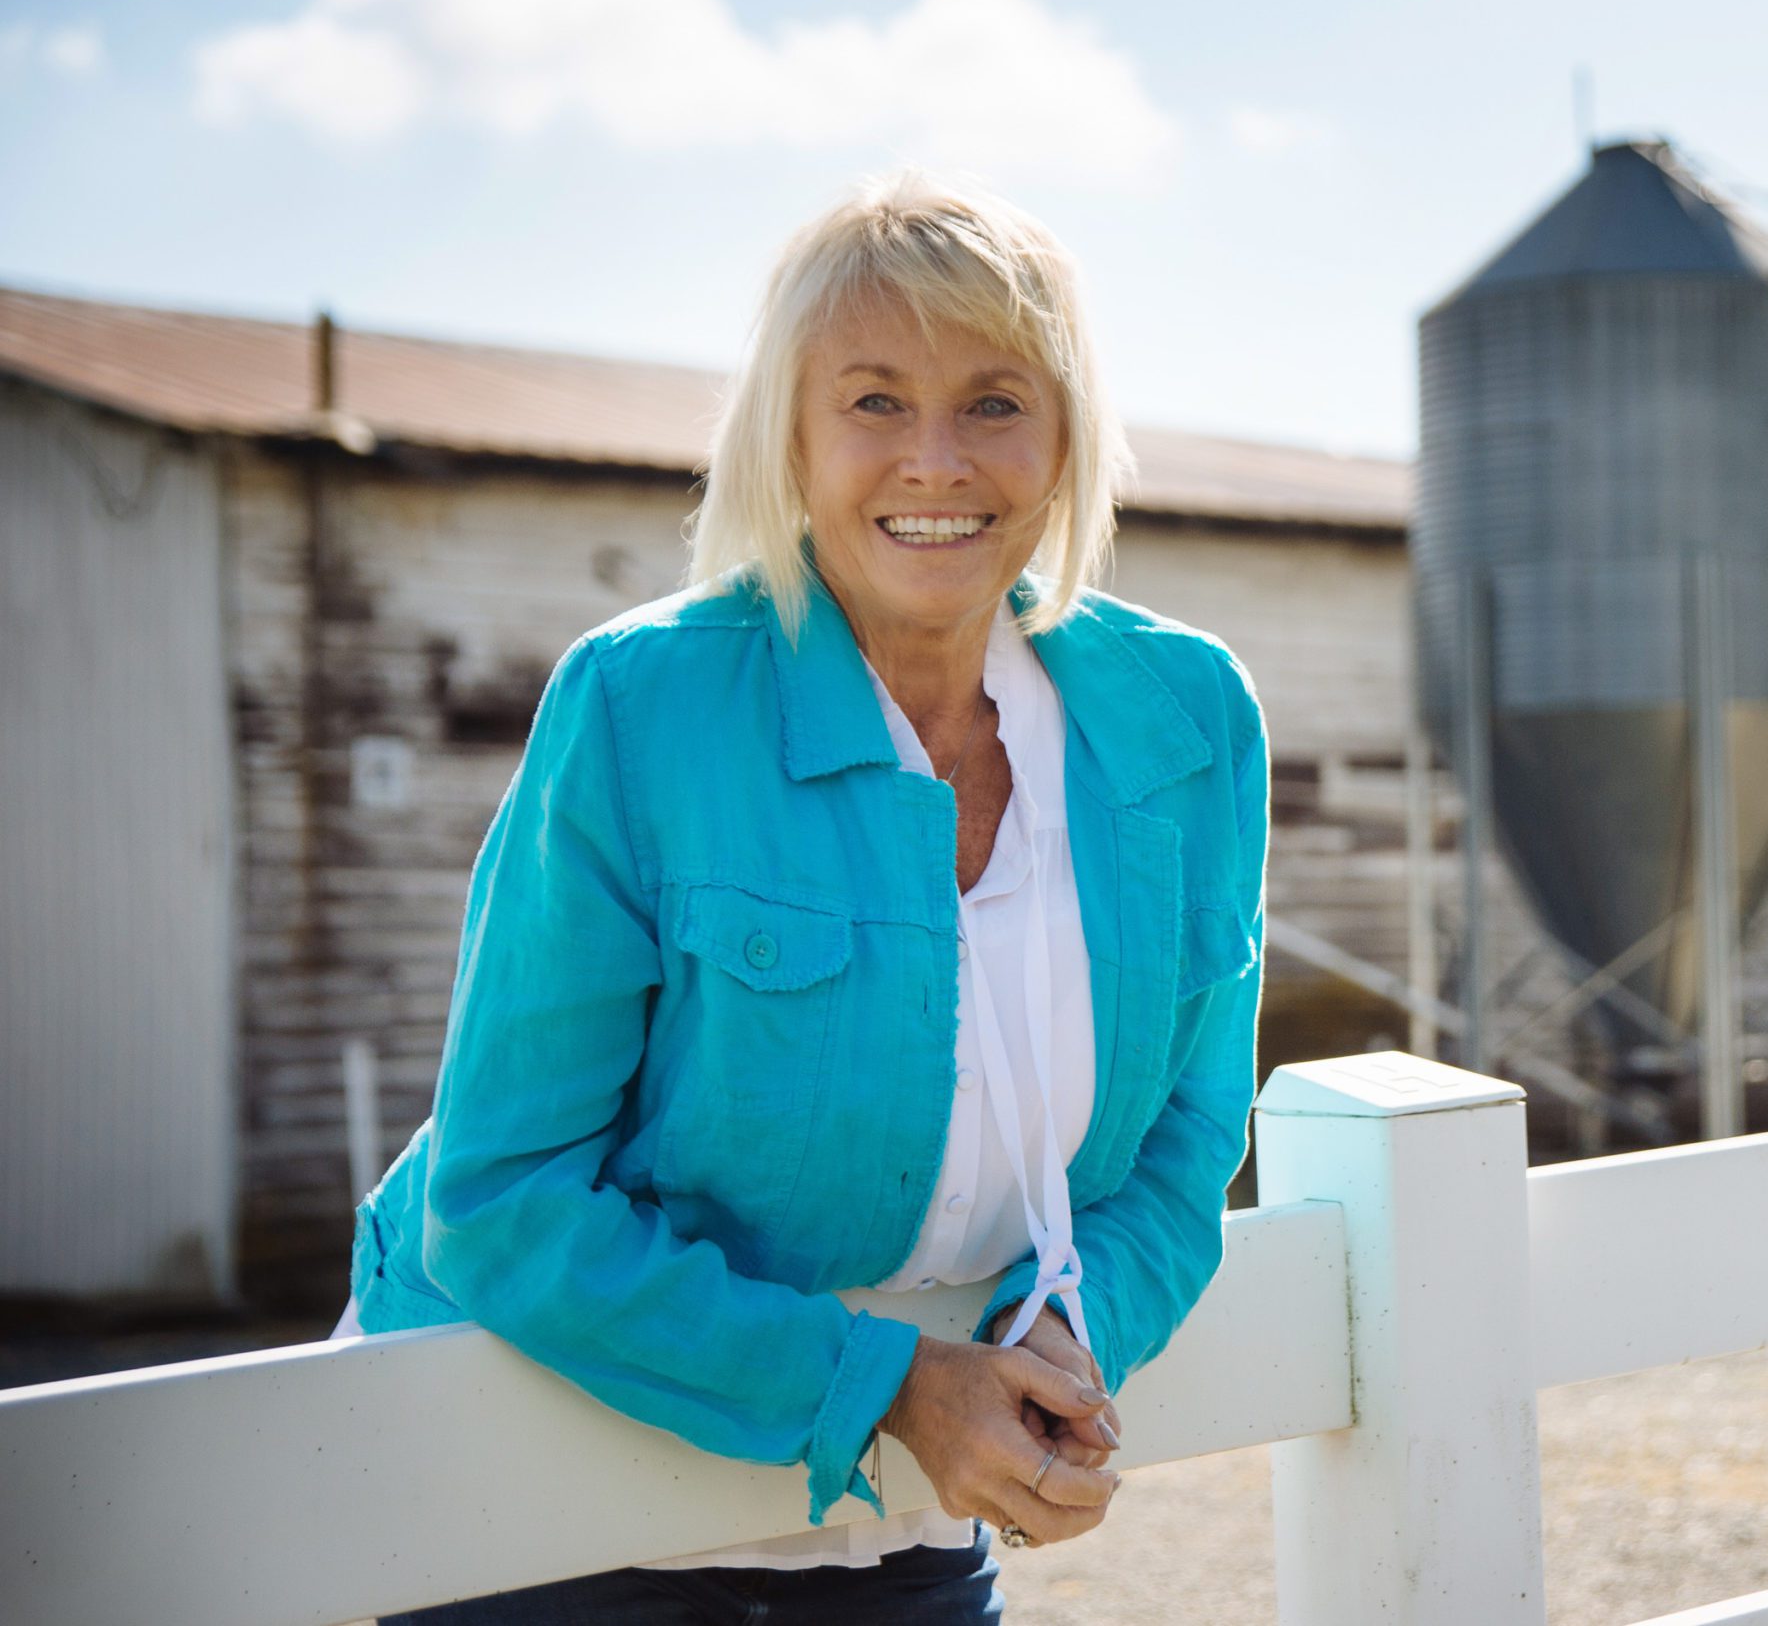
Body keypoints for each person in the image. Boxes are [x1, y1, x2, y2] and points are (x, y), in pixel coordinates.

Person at [333, 168, 1270, 1623]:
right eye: (877, 402)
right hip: (533, 1499)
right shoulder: (642, 709)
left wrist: (1069, 1335)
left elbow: (1190, 1129)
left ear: (1069, 433)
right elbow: (501, 1200)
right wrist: (893, 1388)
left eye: (996, 402)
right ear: (792, 436)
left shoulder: (1185, 719)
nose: (938, 462)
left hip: (897, 1538)